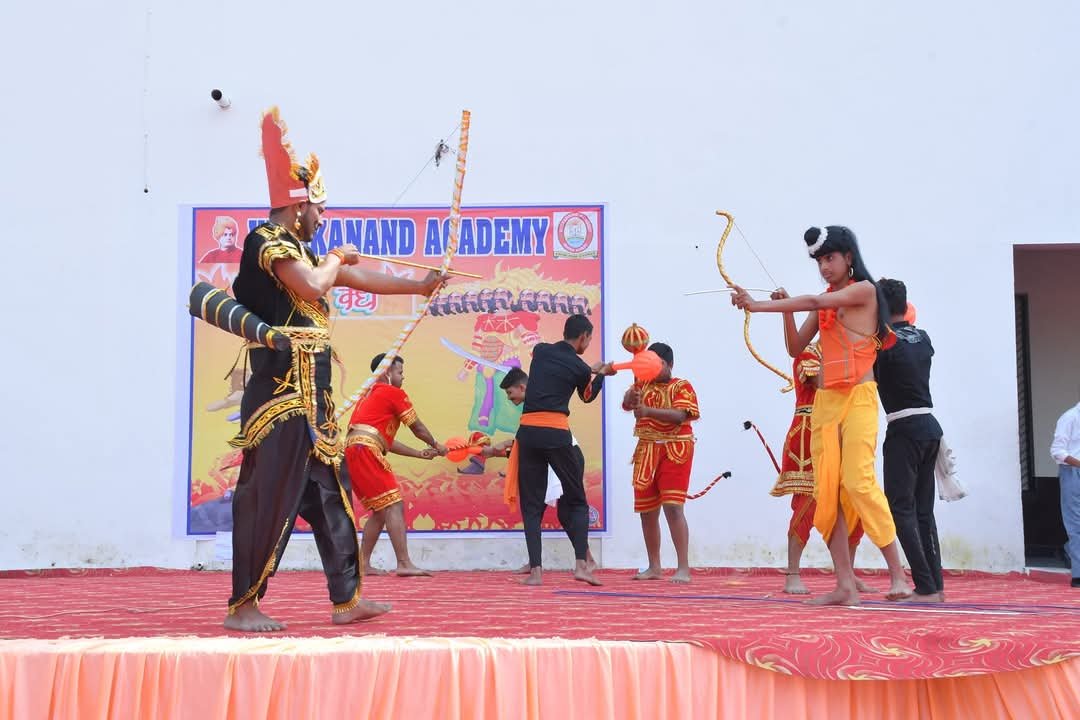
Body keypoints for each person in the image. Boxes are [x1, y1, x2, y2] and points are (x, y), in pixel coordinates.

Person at [221, 107, 444, 632]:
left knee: (332, 499)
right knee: (266, 500)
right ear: (298, 207)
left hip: (313, 405)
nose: (322, 218)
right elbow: (317, 283)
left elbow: (350, 278)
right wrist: (336, 258)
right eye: (319, 209)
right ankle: (244, 605)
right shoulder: (267, 242)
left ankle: (347, 599)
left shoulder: (300, 250)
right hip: (280, 401)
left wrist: (419, 286)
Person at [730, 225, 912, 605]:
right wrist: (783, 311)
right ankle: (844, 585)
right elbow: (797, 347)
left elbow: (813, 300)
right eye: (819, 261)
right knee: (826, 492)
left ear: (849, 257)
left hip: (859, 398)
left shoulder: (864, 290)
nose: (825, 266)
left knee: (859, 482)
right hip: (826, 404)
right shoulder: (826, 302)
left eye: (830, 258)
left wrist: (757, 305)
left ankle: (898, 576)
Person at [506, 315, 614, 586]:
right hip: (556, 434)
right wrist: (600, 375)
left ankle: (536, 572)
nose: (588, 343)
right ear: (583, 337)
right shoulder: (580, 367)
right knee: (576, 500)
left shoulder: (541, 351)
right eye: (589, 339)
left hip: (528, 433)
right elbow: (587, 396)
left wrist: (590, 370)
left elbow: (557, 369)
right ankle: (581, 566)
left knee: (532, 505)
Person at [769, 343, 870, 595]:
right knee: (807, 503)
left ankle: (847, 573)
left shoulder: (850, 353)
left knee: (853, 502)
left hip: (844, 429)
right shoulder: (809, 353)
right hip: (811, 431)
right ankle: (793, 573)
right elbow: (823, 383)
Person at [873, 279, 947, 601]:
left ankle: (925, 585)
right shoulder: (923, 338)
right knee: (923, 512)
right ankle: (935, 586)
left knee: (901, 509)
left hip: (903, 429)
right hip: (929, 426)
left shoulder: (883, 343)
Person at [484, 368, 597, 572]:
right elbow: (529, 443)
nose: (509, 398)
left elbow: (532, 440)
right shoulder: (532, 404)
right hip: (550, 456)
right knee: (535, 511)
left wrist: (499, 449)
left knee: (562, 512)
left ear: (522, 387)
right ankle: (537, 563)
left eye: (510, 393)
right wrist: (498, 451)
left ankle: (585, 559)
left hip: (566, 456)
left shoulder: (539, 401)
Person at [345, 354, 448, 577]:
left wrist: (419, 454)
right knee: (394, 505)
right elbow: (417, 427)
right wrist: (436, 445)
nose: (403, 377)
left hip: (356, 450)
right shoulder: (392, 392)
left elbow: (384, 441)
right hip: (365, 450)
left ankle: (363, 564)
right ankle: (403, 563)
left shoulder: (369, 396)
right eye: (400, 372)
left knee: (381, 510)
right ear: (386, 372)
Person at [620, 342, 699, 584]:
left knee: (673, 508)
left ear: (669, 364)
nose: (653, 369)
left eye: (658, 364)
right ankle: (654, 566)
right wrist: (630, 397)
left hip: (675, 448)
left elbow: (680, 416)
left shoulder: (682, 386)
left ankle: (683, 567)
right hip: (646, 449)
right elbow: (627, 405)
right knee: (646, 512)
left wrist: (647, 411)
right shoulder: (641, 385)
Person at [1051, 395, 1080, 588]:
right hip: (1073, 472)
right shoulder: (1070, 417)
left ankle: (1068, 550)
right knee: (1076, 523)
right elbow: (1057, 451)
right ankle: (1078, 574)